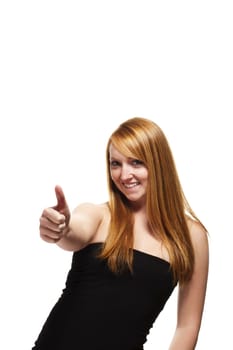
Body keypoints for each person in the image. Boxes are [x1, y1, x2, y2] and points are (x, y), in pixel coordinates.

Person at [33, 117, 209, 350]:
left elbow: (187, 326)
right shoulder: (98, 214)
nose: (124, 175)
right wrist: (60, 229)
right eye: (115, 163)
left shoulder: (192, 236)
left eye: (136, 162)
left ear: (158, 163)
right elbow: (74, 232)